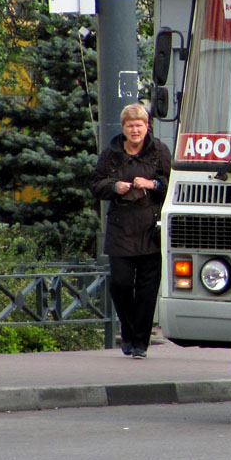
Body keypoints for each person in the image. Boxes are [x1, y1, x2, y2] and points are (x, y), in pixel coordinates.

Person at [90, 103, 171, 359]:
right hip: (121, 229)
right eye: (130, 125)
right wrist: (115, 187)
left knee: (147, 289)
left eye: (140, 125)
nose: (135, 130)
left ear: (147, 127)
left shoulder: (159, 151)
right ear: (123, 128)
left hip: (150, 229)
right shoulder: (111, 154)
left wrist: (153, 183)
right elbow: (95, 185)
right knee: (121, 284)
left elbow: (173, 184)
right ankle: (128, 329)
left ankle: (140, 343)